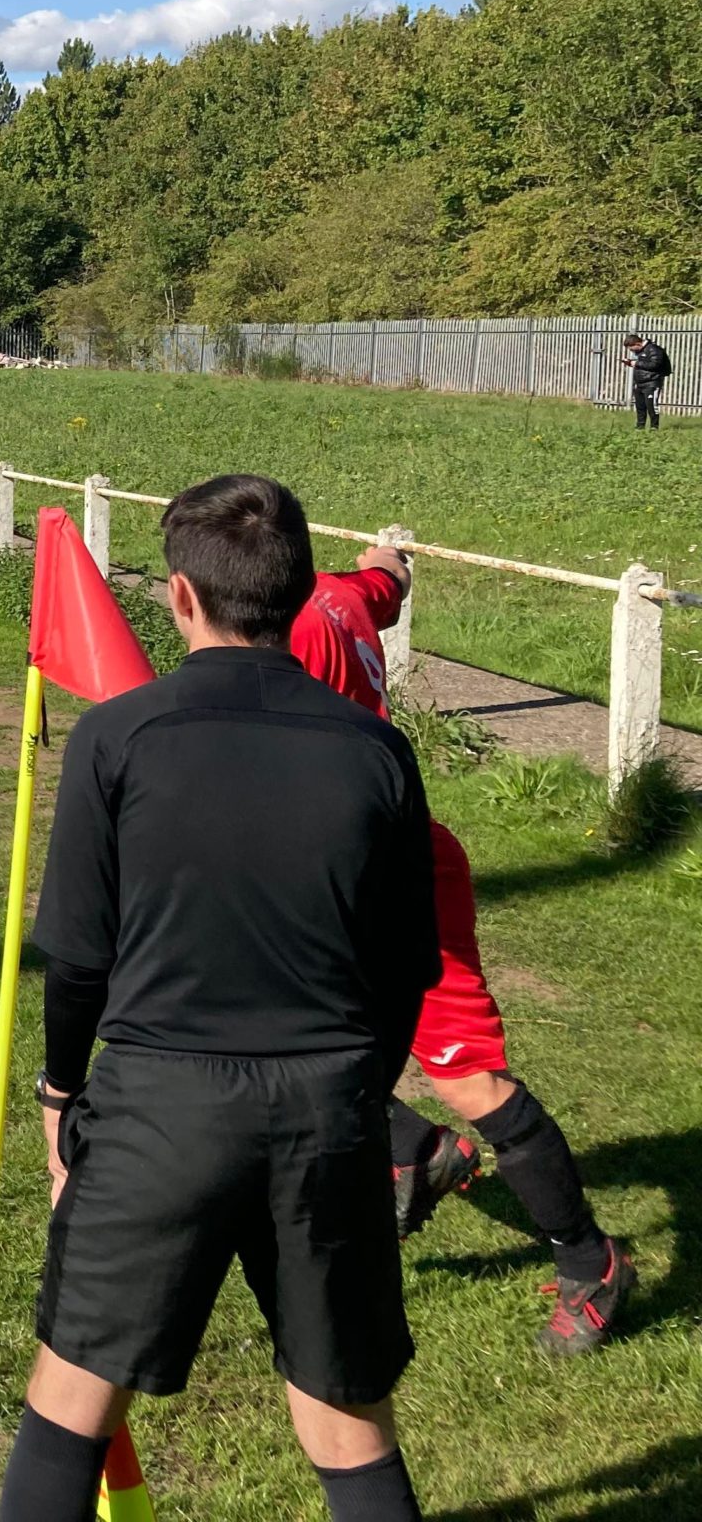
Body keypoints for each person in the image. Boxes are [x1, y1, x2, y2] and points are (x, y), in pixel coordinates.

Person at [0, 474, 438, 1522]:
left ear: (181, 596)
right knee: (348, 1423)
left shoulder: (117, 738)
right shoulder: (377, 752)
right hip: (326, 1111)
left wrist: (61, 1094)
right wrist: (354, 1094)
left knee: (69, 1408)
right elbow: (403, 973)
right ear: (303, 593)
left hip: (160, 1110)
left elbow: (78, 960)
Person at [291, 549, 632, 1355]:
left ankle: (592, 1262)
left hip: (386, 870)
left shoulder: (296, 631)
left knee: (466, 1076)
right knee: (293, 1034)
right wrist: (385, 561)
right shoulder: (336, 593)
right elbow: (389, 579)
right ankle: (416, 1152)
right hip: (364, 858)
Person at [618, 333, 671, 430]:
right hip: (639, 383)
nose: (632, 351)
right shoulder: (640, 351)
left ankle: (654, 427)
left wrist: (636, 363)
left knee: (651, 406)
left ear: (637, 344)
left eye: (632, 349)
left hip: (652, 382)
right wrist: (630, 362)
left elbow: (655, 364)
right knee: (640, 406)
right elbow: (643, 364)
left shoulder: (653, 349)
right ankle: (640, 427)